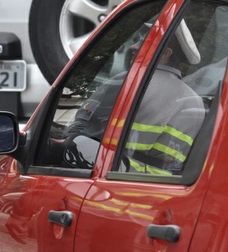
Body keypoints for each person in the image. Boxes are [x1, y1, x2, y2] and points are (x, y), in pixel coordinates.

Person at [62, 21, 205, 174]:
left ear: (165, 55)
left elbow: (79, 132)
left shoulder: (127, 82)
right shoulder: (195, 101)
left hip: (111, 180)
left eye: (143, 42)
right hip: (159, 190)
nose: (133, 47)